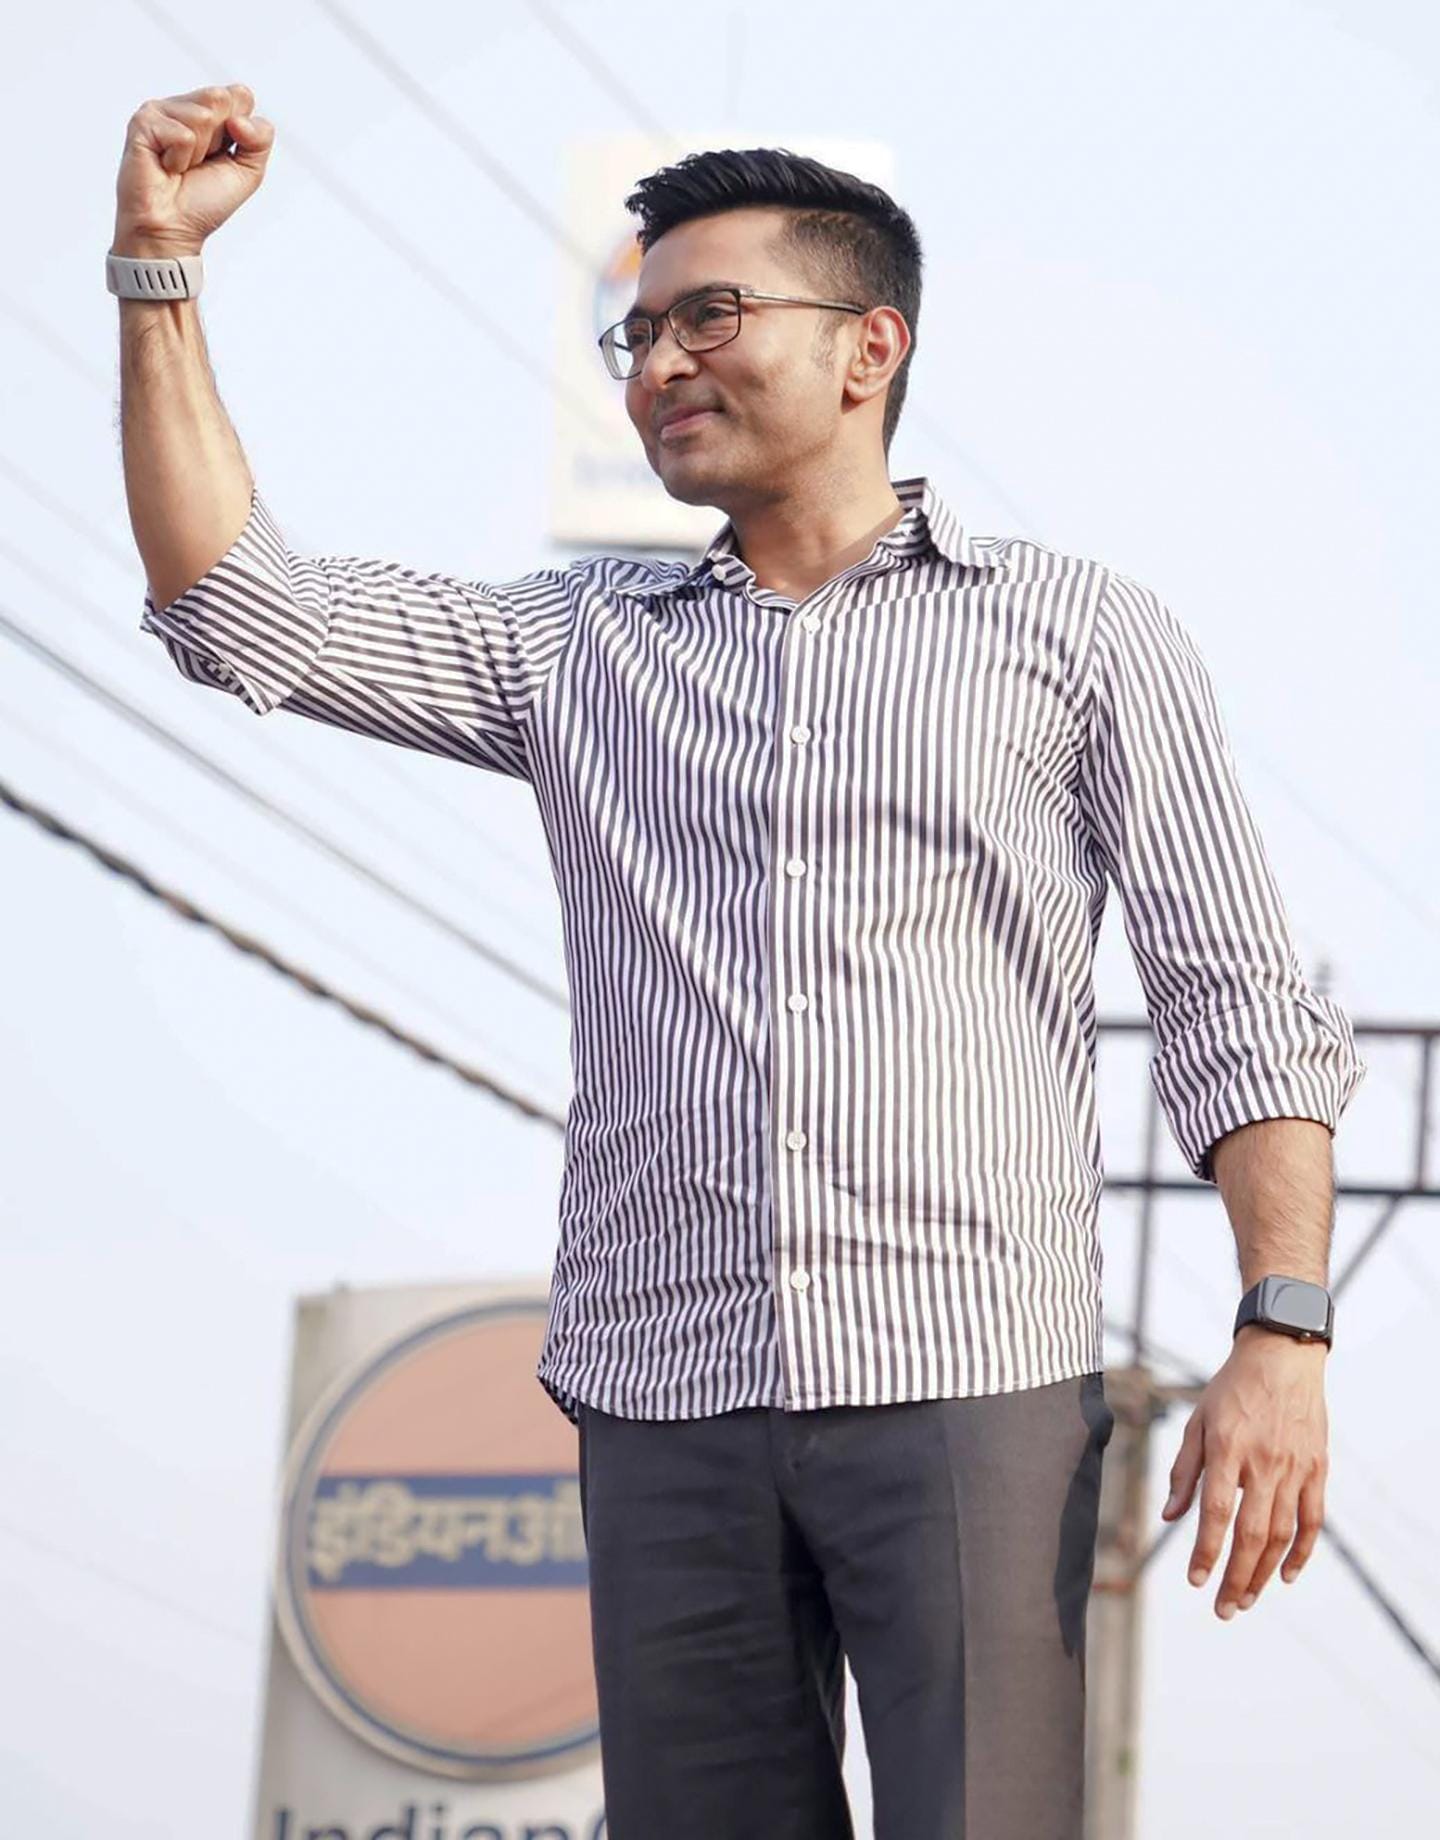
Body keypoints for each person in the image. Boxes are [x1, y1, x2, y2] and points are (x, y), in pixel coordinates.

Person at [114, 85, 1367, 1839]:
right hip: (662, 1398)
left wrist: (1282, 1328)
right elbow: (237, 607)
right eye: (637, 334)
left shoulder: (1078, 633)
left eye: (710, 316)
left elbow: (1235, 1000)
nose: (657, 366)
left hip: (968, 1380)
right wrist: (155, 269)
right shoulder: (576, 648)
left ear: (870, 347)